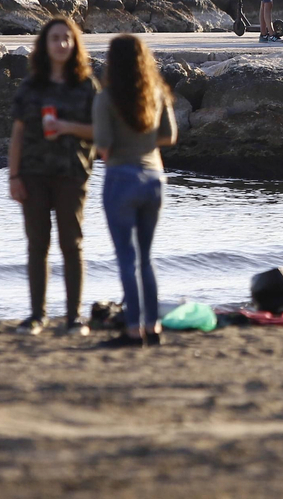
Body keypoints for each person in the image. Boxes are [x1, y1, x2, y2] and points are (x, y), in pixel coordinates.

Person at [7, 18, 97, 337]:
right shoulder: (31, 87)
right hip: (33, 174)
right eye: (54, 38)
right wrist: (13, 176)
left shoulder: (86, 85)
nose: (61, 44)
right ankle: (37, 316)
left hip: (72, 173)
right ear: (44, 45)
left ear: (74, 44)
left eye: (66, 38)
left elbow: (101, 131)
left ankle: (74, 318)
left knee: (71, 244)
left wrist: (68, 128)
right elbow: (17, 135)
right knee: (37, 245)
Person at [95, 34, 179, 348]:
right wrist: (142, 142)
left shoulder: (106, 98)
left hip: (121, 177)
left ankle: (133, 330)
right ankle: (153, 326)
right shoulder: (157, 93)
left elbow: (103, 146)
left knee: (126, 259)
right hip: (155, 177)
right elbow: (169, 136)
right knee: (146, 258)